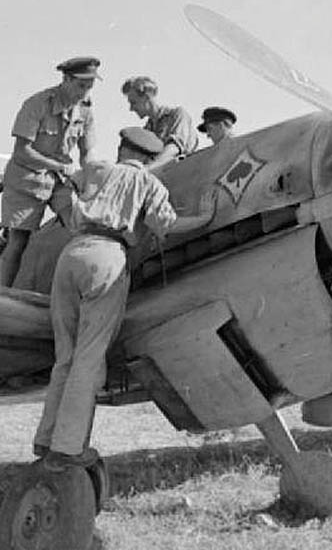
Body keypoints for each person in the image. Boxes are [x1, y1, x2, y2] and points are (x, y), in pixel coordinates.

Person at [33, 127, 214, 472]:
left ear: (121, 148)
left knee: (65, 356)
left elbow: (57, 191)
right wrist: (205, 217)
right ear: (149, 159)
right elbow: (165, 225)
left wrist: (72, 213)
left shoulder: (96, 169)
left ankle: (46, 439)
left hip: (71, 253)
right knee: (90, 357)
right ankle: (68, 449)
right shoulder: (149, 183)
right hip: (108, 257)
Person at [0, 57, 101, 287]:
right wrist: (59, 166)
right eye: (81, 86)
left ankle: (83, 285)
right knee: (18, 240)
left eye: (90, 86)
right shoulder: (37, 104)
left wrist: (91, 175)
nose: (85, 92)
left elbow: (88, 152)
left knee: (79, 227)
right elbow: (21, 152)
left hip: (60, 181)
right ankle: (1, 291)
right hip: (27, 178)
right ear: (66, 79)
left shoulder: (85, 111)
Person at [120, 76, 198, 171]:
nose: (131, 108)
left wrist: (147, 169)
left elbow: (174, 149)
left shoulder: (177, 115)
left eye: (134, 102)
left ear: (146, 97)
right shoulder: (147, 130)